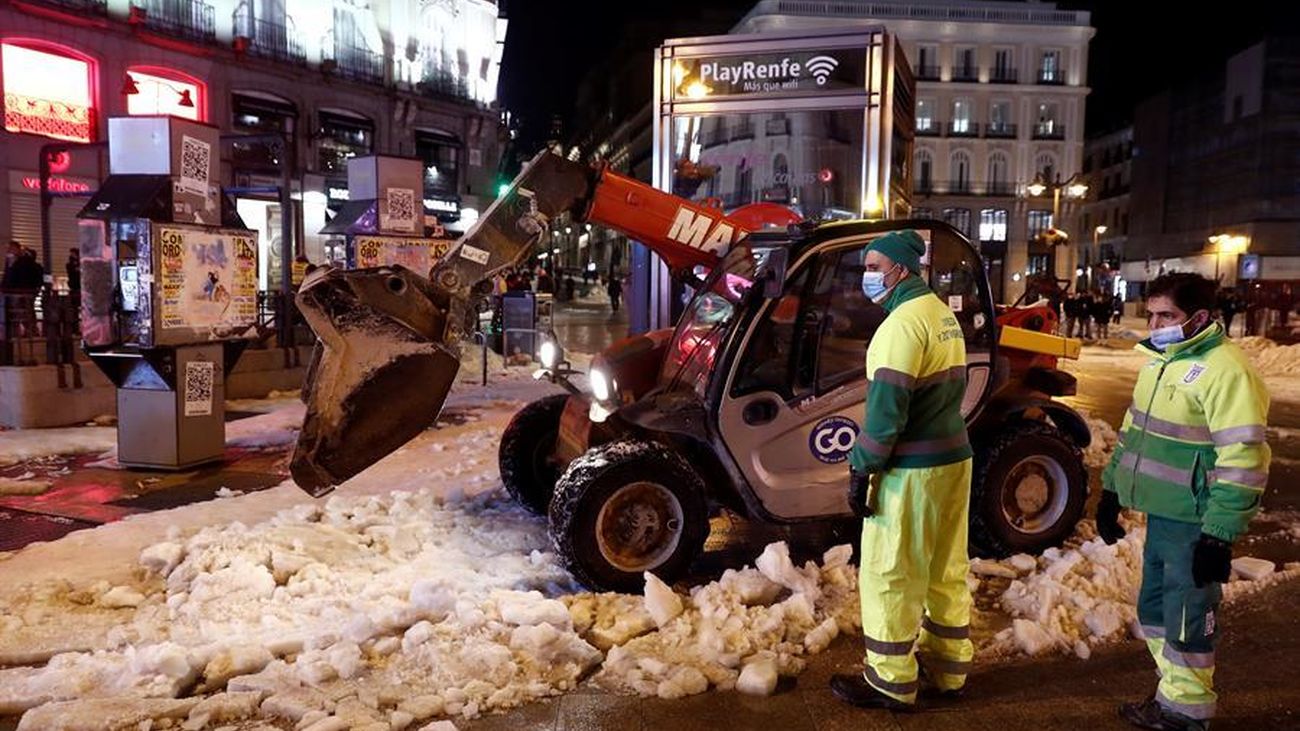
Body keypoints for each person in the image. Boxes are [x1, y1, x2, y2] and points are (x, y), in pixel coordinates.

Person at [1098, 272, 1270, 731]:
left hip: (1196, 520)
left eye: (1166, 315)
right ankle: (1172, 695)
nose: (1156, 324)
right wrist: (1112, 489)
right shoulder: (1160, 362)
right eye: (1151, 314)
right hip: (1163, 514)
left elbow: (1244, 457)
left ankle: (1188, 713)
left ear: (1199, 318)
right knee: (1154, 610)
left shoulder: (1226, 369)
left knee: (1188, 616)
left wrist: (1220, 534)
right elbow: (1134, 433)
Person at [831, 230, 973, 711]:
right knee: (944, 567)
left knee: (891, 570)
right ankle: (949, 668)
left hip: (914, 468)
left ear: (901, 270)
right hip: (954, 459)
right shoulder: (940, 315)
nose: (868, 277)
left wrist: (860, 468)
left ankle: (890, 680)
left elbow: (885, 414)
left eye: (874, 268)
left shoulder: (900, 327)